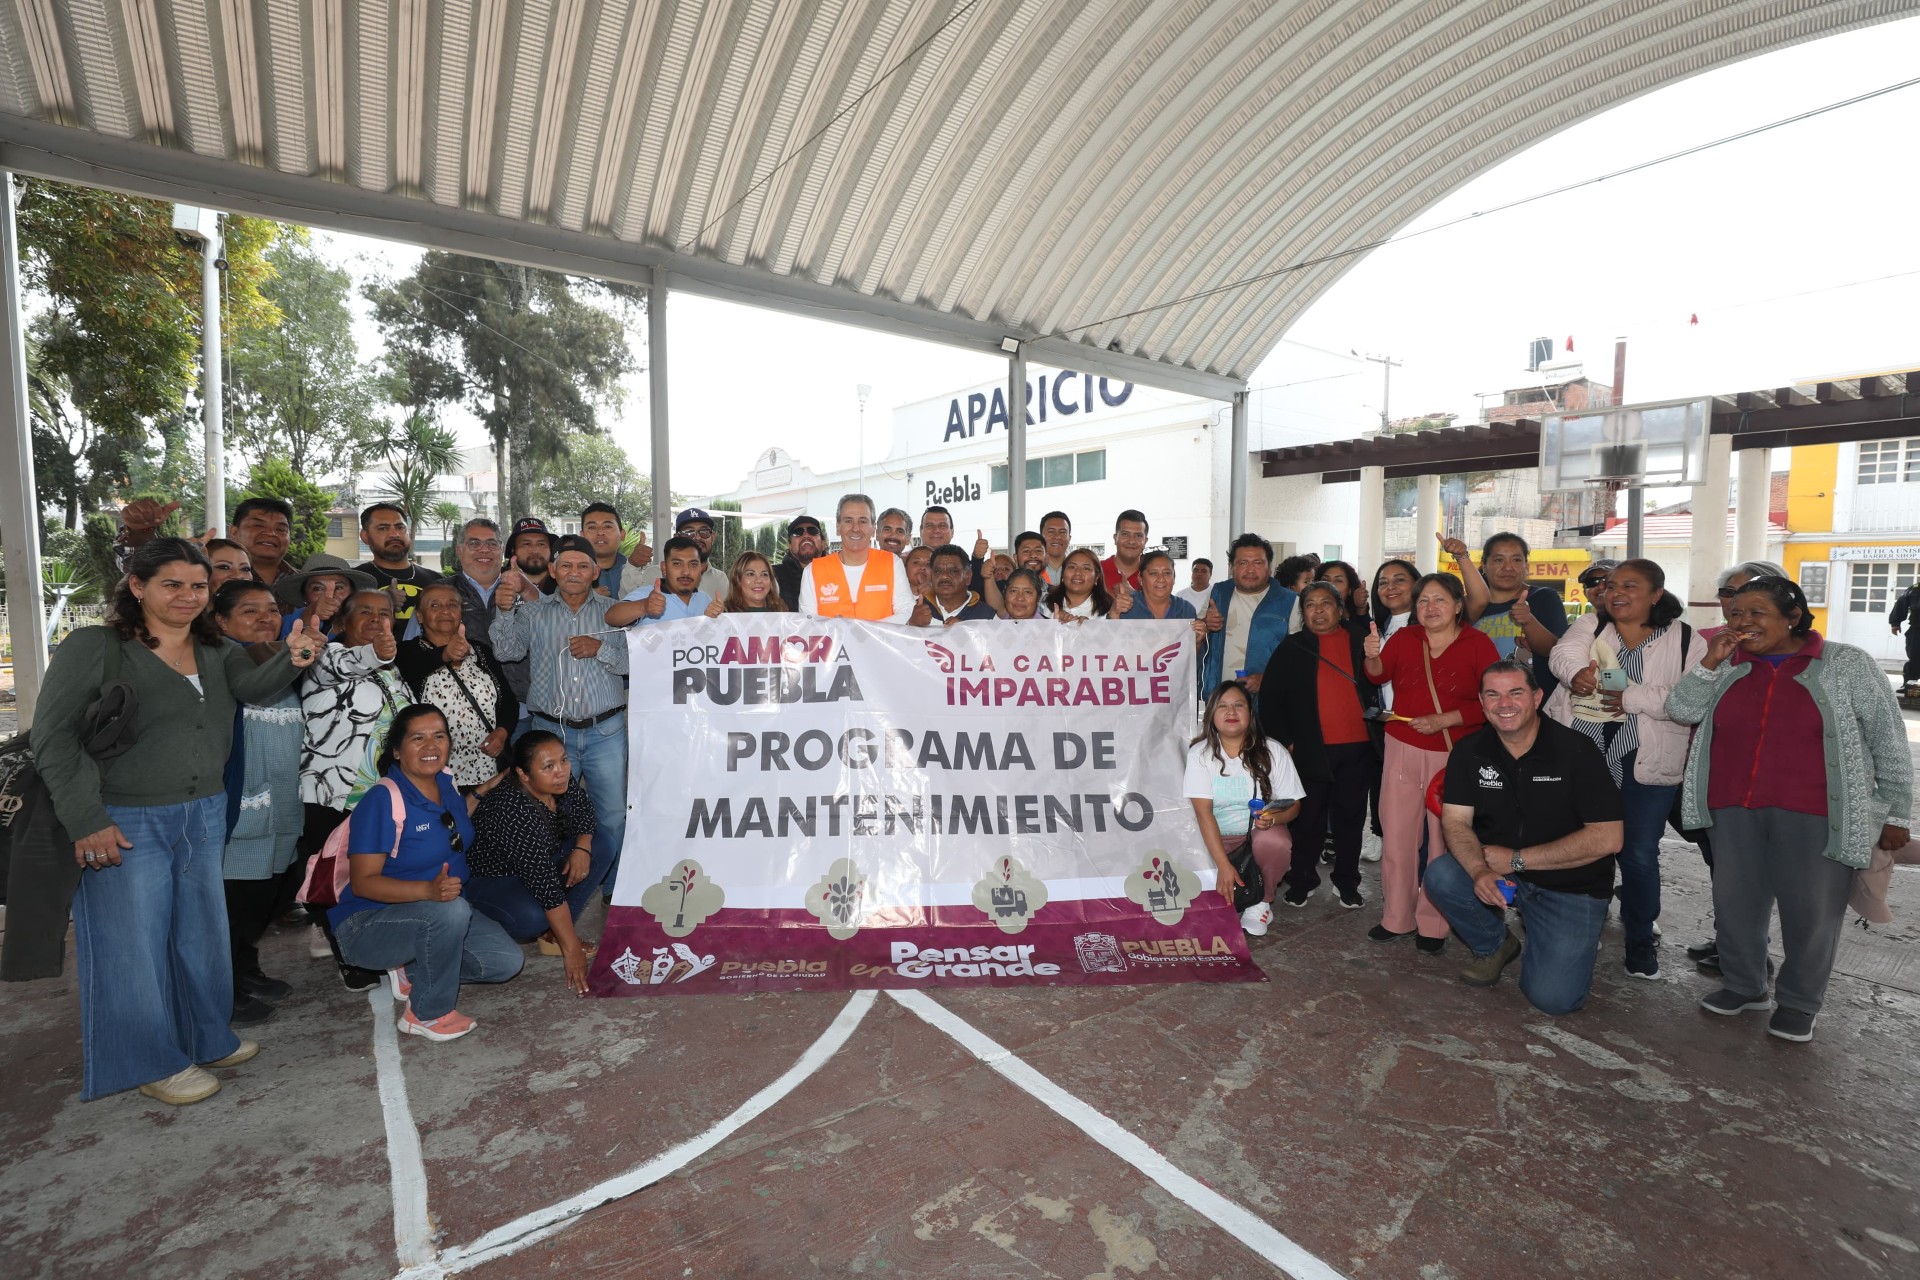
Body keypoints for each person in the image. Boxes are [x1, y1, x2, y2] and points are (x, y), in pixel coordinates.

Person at [30, 538, 320, 1104]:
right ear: (138, 586)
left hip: (204, 811)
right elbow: (53, 738)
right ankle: (150, 1061)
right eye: (172, 584)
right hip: (124, 816)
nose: (188, 596)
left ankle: (205, 1036)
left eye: (198, 585)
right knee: (130, 946)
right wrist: (87, 819)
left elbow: (253, 689)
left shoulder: (217, 648)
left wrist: (296, 654)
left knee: (200, 935)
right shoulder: (97, 647)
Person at [1666, 576, 1912, 1043]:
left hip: (1818, 813)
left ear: (1793, 616)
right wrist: (1710, 663)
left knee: (1811, 914)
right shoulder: (1727, 663)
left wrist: (1898, 812)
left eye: (1757, 612)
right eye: (1736, 613)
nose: (1743, 622)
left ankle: (1799, 1003)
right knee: (1735, 904)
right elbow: (1681, 710)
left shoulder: (1846, 663)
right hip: (1732, 807)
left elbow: (1888, 739)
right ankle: (1744, 985)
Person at [1426, 661, 1626, 1014]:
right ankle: (1495, 945)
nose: (1504, 703)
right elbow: (1455, 822)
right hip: (1503, 875)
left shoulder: (1576, 751)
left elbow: (1609, 838)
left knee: (1554, 999)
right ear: (1482, 702)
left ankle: (1549, 938)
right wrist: (1478, 871)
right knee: (1442, 875)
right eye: (1493, 694)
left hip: (1570, 884)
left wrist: (1517, 859)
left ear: (1536, 697)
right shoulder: (1469, 751)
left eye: (1515, 693)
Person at [1545, 559, 1705, 979]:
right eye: (1612, 585)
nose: (1616, 593)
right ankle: (1582, 923)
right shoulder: (1593, 625)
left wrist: (1629, 697)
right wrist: (1576, 673)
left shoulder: (1686, 639)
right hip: (1585, 752)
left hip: (1646, 761)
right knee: (1580, 846)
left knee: (1637, 854)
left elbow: (1689, 700)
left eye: (1629, 585)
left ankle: (1639, 939)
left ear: (1656, 593)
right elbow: (1563, 654)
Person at [329, 705, 525, 1042]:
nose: (431, 746)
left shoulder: (444, 781)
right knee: (452, 912)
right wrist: (428, 892)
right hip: (368, 923)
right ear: (396, 750)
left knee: (504, 962)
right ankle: (426, 1013)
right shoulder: (382, 800)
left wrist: (481, 791)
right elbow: (362, 883)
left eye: (439, 736)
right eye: (418, 738)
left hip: (437, 908)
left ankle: (411, 966)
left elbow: (448, 822)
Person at [490, 534, 630, 904]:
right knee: (550, 817)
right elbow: (506, 652)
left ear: (595, 572)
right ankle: (555, 890)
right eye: (566, 565)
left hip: (605, 732)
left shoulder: (615, 612)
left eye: (583, 566)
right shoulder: (534, 612)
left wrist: (601, 650)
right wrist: (504, 611)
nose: (574, 572)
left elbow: (634, 664)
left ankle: (614, 887)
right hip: (551, 733)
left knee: (613, 815)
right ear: (553, 570)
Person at [1363, 572, 1499, 951]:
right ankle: (1396, 918)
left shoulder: (1478, 644)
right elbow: (1378, 675)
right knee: (1398, 836)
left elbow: (1494, 699)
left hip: (1454, 754)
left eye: (1439, 599)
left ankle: (1434, 925)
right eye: (1423, 601)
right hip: (1402, 744)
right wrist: (1372, 656)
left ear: (1458, 606)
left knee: (1444, 839)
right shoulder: (1406, 638)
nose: (1430, 607)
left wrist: (1448, 718)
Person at [298, 589, 414, 990]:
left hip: (382, 798)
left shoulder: (393, 669)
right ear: (342, 621)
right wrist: (377, 652)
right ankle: (347, 956)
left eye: (384, 613)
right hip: (335, 794)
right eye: (365, 612)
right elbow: (350, 662)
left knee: (375, 879)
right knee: (333, 881)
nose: (377, 619)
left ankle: (381, 948)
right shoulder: (324, 657)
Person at [1680, 558, 1785, 974]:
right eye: (1729, 595)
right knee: (1723, 868)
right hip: (1707, 777)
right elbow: (1682, 705)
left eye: (1750, 597)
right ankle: (1732, 941)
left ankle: (1750, 955)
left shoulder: (1790, 651)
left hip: (1765, 783)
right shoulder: (1705, 641)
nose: (1737, 606)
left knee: (1754, 873)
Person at [214, 579, 309, 1026]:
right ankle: (223, 989)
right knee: (234, 901)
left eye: (271, 610)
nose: (265, 618)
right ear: (221, 621)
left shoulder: (281, 663)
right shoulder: (222, 662)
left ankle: (246, 969)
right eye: (249, 611)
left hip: (283, 804)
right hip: (245, 807)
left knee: (264, 897)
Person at [1259, 581, 1381, 909]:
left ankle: (1347, 881)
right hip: (1309, 749)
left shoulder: (1360, 640)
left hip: (1357, 748)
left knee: (1350, 819)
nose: (1318, 611)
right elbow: (1270, 700)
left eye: (1325, 603)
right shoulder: (1292, 647)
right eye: (1310, 605)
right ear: (1303, 613)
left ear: (1340, 609)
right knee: (1307, 819)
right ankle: (1302, 879)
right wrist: (1286, 743)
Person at [466, 732, 597, 994]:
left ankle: (555, 932)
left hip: (537, 861)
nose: (561, 771)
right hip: (492, 880)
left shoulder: (558, 780)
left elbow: (584, 811)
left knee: (600, 846)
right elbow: (545, 886)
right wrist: (572, 950)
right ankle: (549, 931)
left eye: (563, 760)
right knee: (533, 917)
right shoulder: (512, 810)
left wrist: (582, 847)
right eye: (548, 766)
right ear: (523, 775)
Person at [1186, 681, 1302, 937]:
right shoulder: (1199, 754)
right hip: (1210, 839)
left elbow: (1294, 806)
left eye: (1238, 705)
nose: (1231, 712)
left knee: (1275, 840)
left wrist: (1273, 820)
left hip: (1252, 838)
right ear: (1211, 715)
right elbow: (1203, 813)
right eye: (1222, 706)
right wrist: (1223, 865)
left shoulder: (1273, 751)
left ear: (1250, 713)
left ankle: (1261, 902)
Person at [397, 583, 517, 791]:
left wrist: (502, 731)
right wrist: (444, 654)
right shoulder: (406, 653)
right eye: (435, 605)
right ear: (419, 616)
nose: (445, 610)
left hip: (489, 770)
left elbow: (508, 701)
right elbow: (413, 667)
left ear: (461, 613)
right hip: (435, 773)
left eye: (452, 605)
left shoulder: (481, 651)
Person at [1443, 532, 1570, 697]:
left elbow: (1555, 650)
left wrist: (1528, 620)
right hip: (1479, 703)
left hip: (1535, 704)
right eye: (1498, 560)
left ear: (1526, 566)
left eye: (1516, 560)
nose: (1508, 568)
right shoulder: (1470, 606)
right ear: (1484, 565)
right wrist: (1461, 556)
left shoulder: (1544, 597)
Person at [1200, 533, 1294, 696]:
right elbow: (1195, 632)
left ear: (1269, 567)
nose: (1250, 569)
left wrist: (1268, 679)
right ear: (1232, 568)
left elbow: (1300, 658)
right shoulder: (1218, 593)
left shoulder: (1290, 601)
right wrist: (1205, 624)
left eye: (1258, 563)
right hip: (1220, 697)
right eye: (1243, 563)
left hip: (1270, 699)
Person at [798, 494, 915, 620]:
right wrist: (831, 626)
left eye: (862, 521)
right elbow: (807, 622)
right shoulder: (813, 571)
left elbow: (906, 611)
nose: (855, 528)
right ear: (838, 527)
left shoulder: (892, 563)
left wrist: (860, 629)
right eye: (848, 521)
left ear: (873, 528)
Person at [354, 503, 442, 631]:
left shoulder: (437, 581)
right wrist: (383, 602)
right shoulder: (352, 581)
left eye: (400, 527)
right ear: (365, 536)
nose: (394, 534)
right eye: (383, 528)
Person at [611, 536, 713, 623]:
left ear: (701, 569)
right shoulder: (647, 595)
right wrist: (644, 606)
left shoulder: (705, 599)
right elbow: (611, 617)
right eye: (677, 564)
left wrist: (715, 620)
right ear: (664, 568)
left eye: (693, 564)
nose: (686, 572)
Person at [272, 552, 371, 640]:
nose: (329, 597)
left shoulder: (369, 622)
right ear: (304, 596)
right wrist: (311, 613)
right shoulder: (285, 624)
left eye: (339, 588)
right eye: (317, 589)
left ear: (353, 593)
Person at [635, 508, 728, 597]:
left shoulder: (720, 579)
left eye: (704, 532)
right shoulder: (654, 574)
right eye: (689, 533)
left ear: (713, 537)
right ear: (677, 538)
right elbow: (630, 602)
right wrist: (633, 564)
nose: (697, 537)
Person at [913, 544, 998, 625]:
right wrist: (911, 624)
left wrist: (965, 630)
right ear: (931, 576)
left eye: (953, 571)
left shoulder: (987, 616)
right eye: (938, 571)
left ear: (968, 577)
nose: (944, 576)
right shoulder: (916, 609)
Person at [229, 496, 299, 588]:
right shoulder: (216, 578)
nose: (271, 533)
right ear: (234, 532)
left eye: (280, 529)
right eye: (258, 525)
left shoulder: (305, 584)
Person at [580, 502, 645, 599]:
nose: (600, 532)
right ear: (582, 536)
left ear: (622, 535)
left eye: (607, 526)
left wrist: (633, 566)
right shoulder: (570, 573)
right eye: (592, 527)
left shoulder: (633, 570)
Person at [1120, 550, 1199, 622]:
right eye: (1153, 573)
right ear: (1140, 579)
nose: (1161, 579)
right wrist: (1114, 614)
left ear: (1174, 578)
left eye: (1167, 573)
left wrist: (1199, 632)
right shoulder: (1126, 606)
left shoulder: (1186, 610)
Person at [1045, 548, 1113, 622]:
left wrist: (1092, 628)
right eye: (1072, 567)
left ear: (1096, 577)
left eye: (1086, 568)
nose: (1078, 572)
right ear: (1063, 574)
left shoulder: (1109, 611)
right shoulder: (1044, 605)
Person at [773, 515, 825, 606]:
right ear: (789, 546)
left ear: (823, 543)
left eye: (813, 531)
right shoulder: (773, 576)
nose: (806, 535)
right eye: (798, 532)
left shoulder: (839, 572)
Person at [718, 550, 791, 612]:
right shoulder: (724, 614)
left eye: (764, 574)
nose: (758, 580)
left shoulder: (782, 612)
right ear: (737, 579)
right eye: (750, 574)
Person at [505, 517, 560, 598]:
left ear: (551, 549)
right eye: (527, 544)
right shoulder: (499, 583)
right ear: (513, 550)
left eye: (541, 544)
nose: (535, 551)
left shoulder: (565, 582)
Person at [1101, 510, 1149, 593]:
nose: (1131, 541)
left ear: (1145, 541)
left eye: (1138, 536)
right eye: (1125, 534)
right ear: (1115, 538)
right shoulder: (1096, 570)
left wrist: (1135, 595)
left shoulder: (1153, 574)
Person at [1892, 578, 1920, 695]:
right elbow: (1901, 602)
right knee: (1915, 657)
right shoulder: (1915, 588)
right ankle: (1909, 685)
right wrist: (1895, 623)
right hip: (1917, 629)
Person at [1038, 511, 1072, 585]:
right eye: (1051, 531)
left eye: (1062, 532)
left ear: (1069, 538)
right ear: (1040, 537)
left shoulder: (1077, 570)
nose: (1057, 536)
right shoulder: (1032, 569)